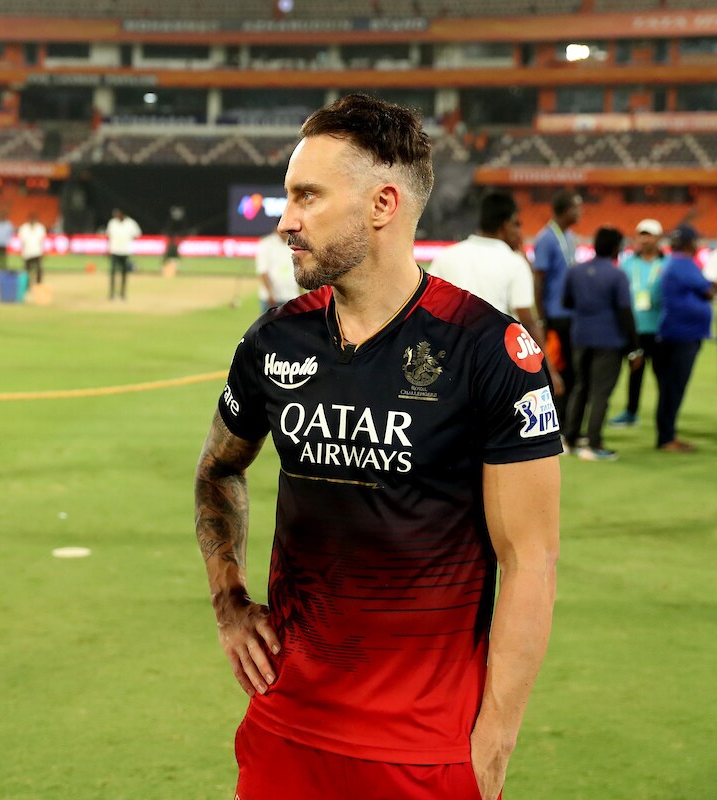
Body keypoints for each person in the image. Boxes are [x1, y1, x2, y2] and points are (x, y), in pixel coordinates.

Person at [193, 94, 559, 800]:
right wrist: (228, 600)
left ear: (383, 204)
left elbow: (530, 558)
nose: (285, 220)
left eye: (307, 196)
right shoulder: (273, 339)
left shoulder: (490, 350)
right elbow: (218, 469)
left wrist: (496, 737)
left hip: (424, 747)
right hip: (285, 726)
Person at [428, 191, 563, 395]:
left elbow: (428, 306)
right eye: (517, 224)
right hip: (496, 362)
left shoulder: (446, 256)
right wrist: (549, 370)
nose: (520, 231)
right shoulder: (514, 263)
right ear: (506, 224)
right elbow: (527, 321)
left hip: (449, 359)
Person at [561, 226, 638, 461]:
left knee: (580, 387)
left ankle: (570, 438)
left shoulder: (576, 271)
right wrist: (634, 347)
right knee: (600, 393)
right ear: (616, 248)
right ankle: (593, 444)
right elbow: (624, 312)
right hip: (608, 340)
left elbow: (566, 302)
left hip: (580, 336)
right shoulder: (617, 275)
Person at [654, 223, 714, 452]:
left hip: (677, 334)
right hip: (682, 336)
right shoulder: (683, 263)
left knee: (670, 388)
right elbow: (707, 291)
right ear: (689, 243)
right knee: (674, 388)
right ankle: (666, 437)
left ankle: (667, 435)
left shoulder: (675, 262)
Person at [611, 219, 666, 427]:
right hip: (635, 329)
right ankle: (630, 412)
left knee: (663, 376)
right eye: (641, 235)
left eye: (648, 235)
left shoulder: (667, 264)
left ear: (658, 238)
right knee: (635, 373)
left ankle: (665, 417)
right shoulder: (627, 264)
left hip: (660, 328)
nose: (644, 239)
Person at [533, 189, 583, 417]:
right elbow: (539, 281)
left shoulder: (570, 237)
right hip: (555, 316)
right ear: (566, 210)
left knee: (573, 372)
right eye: (577, 207)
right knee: (560, 370)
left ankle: (568, 421)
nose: (580, 212)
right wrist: (542, 319)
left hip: (572, 314)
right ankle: (558, 420)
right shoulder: (546, 238)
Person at [255, 228, 300, 312]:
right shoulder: (267, 243)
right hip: (273, 298)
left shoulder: (294, 244)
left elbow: (297, 269)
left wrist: (300, 293)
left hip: (291, 296)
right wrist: (269, 293)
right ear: (277, 229)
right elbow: (263, 272)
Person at [105, 208, 142, 300]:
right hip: (114, 250)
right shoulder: (112, 223)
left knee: (124, 273)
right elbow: (108, 234)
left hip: (125, 251)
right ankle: (112, 293)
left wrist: (128, 241)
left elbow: (137, 234)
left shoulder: (130, 223)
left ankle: (122, 293)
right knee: (113, 272)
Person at [17, 211, 47, 285]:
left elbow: (42, 241)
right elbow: (22, 241)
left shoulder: (40, 228)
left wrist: (43, 251)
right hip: (27, 252)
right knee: (27, 270)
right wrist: (21, 252)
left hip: (37, 252)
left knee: (39, 269)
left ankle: (38, 284)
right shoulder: (24, 228)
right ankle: (27, 284)